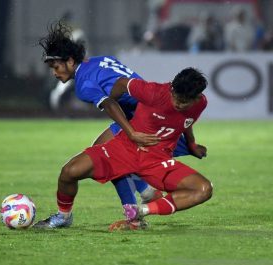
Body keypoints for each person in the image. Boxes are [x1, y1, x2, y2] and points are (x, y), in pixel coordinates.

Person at [37, 21, 193, 229]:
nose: (54, 73)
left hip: (146, 122)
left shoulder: (83, 84)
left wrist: (132, 133)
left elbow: (110, 102)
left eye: (56, 67)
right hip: (149, 115)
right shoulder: (103, 60)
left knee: (100, 161)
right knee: (102, 153)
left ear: (70, 61)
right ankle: (145, 192)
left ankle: (130, 215)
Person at [33, 67, 213, 230]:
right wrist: (129, 127)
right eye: (177, 98)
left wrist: (191, 144)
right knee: (69, 171)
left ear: (196, 97)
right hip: (123, 149)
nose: (179, 104)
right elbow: (120, 84)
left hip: (157, 160)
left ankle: (140, 211)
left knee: (204, 189)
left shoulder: (200, 103)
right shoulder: (153, 92)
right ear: (172, 88)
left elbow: (187, 121)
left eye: (185, 102)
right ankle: (63, 217)